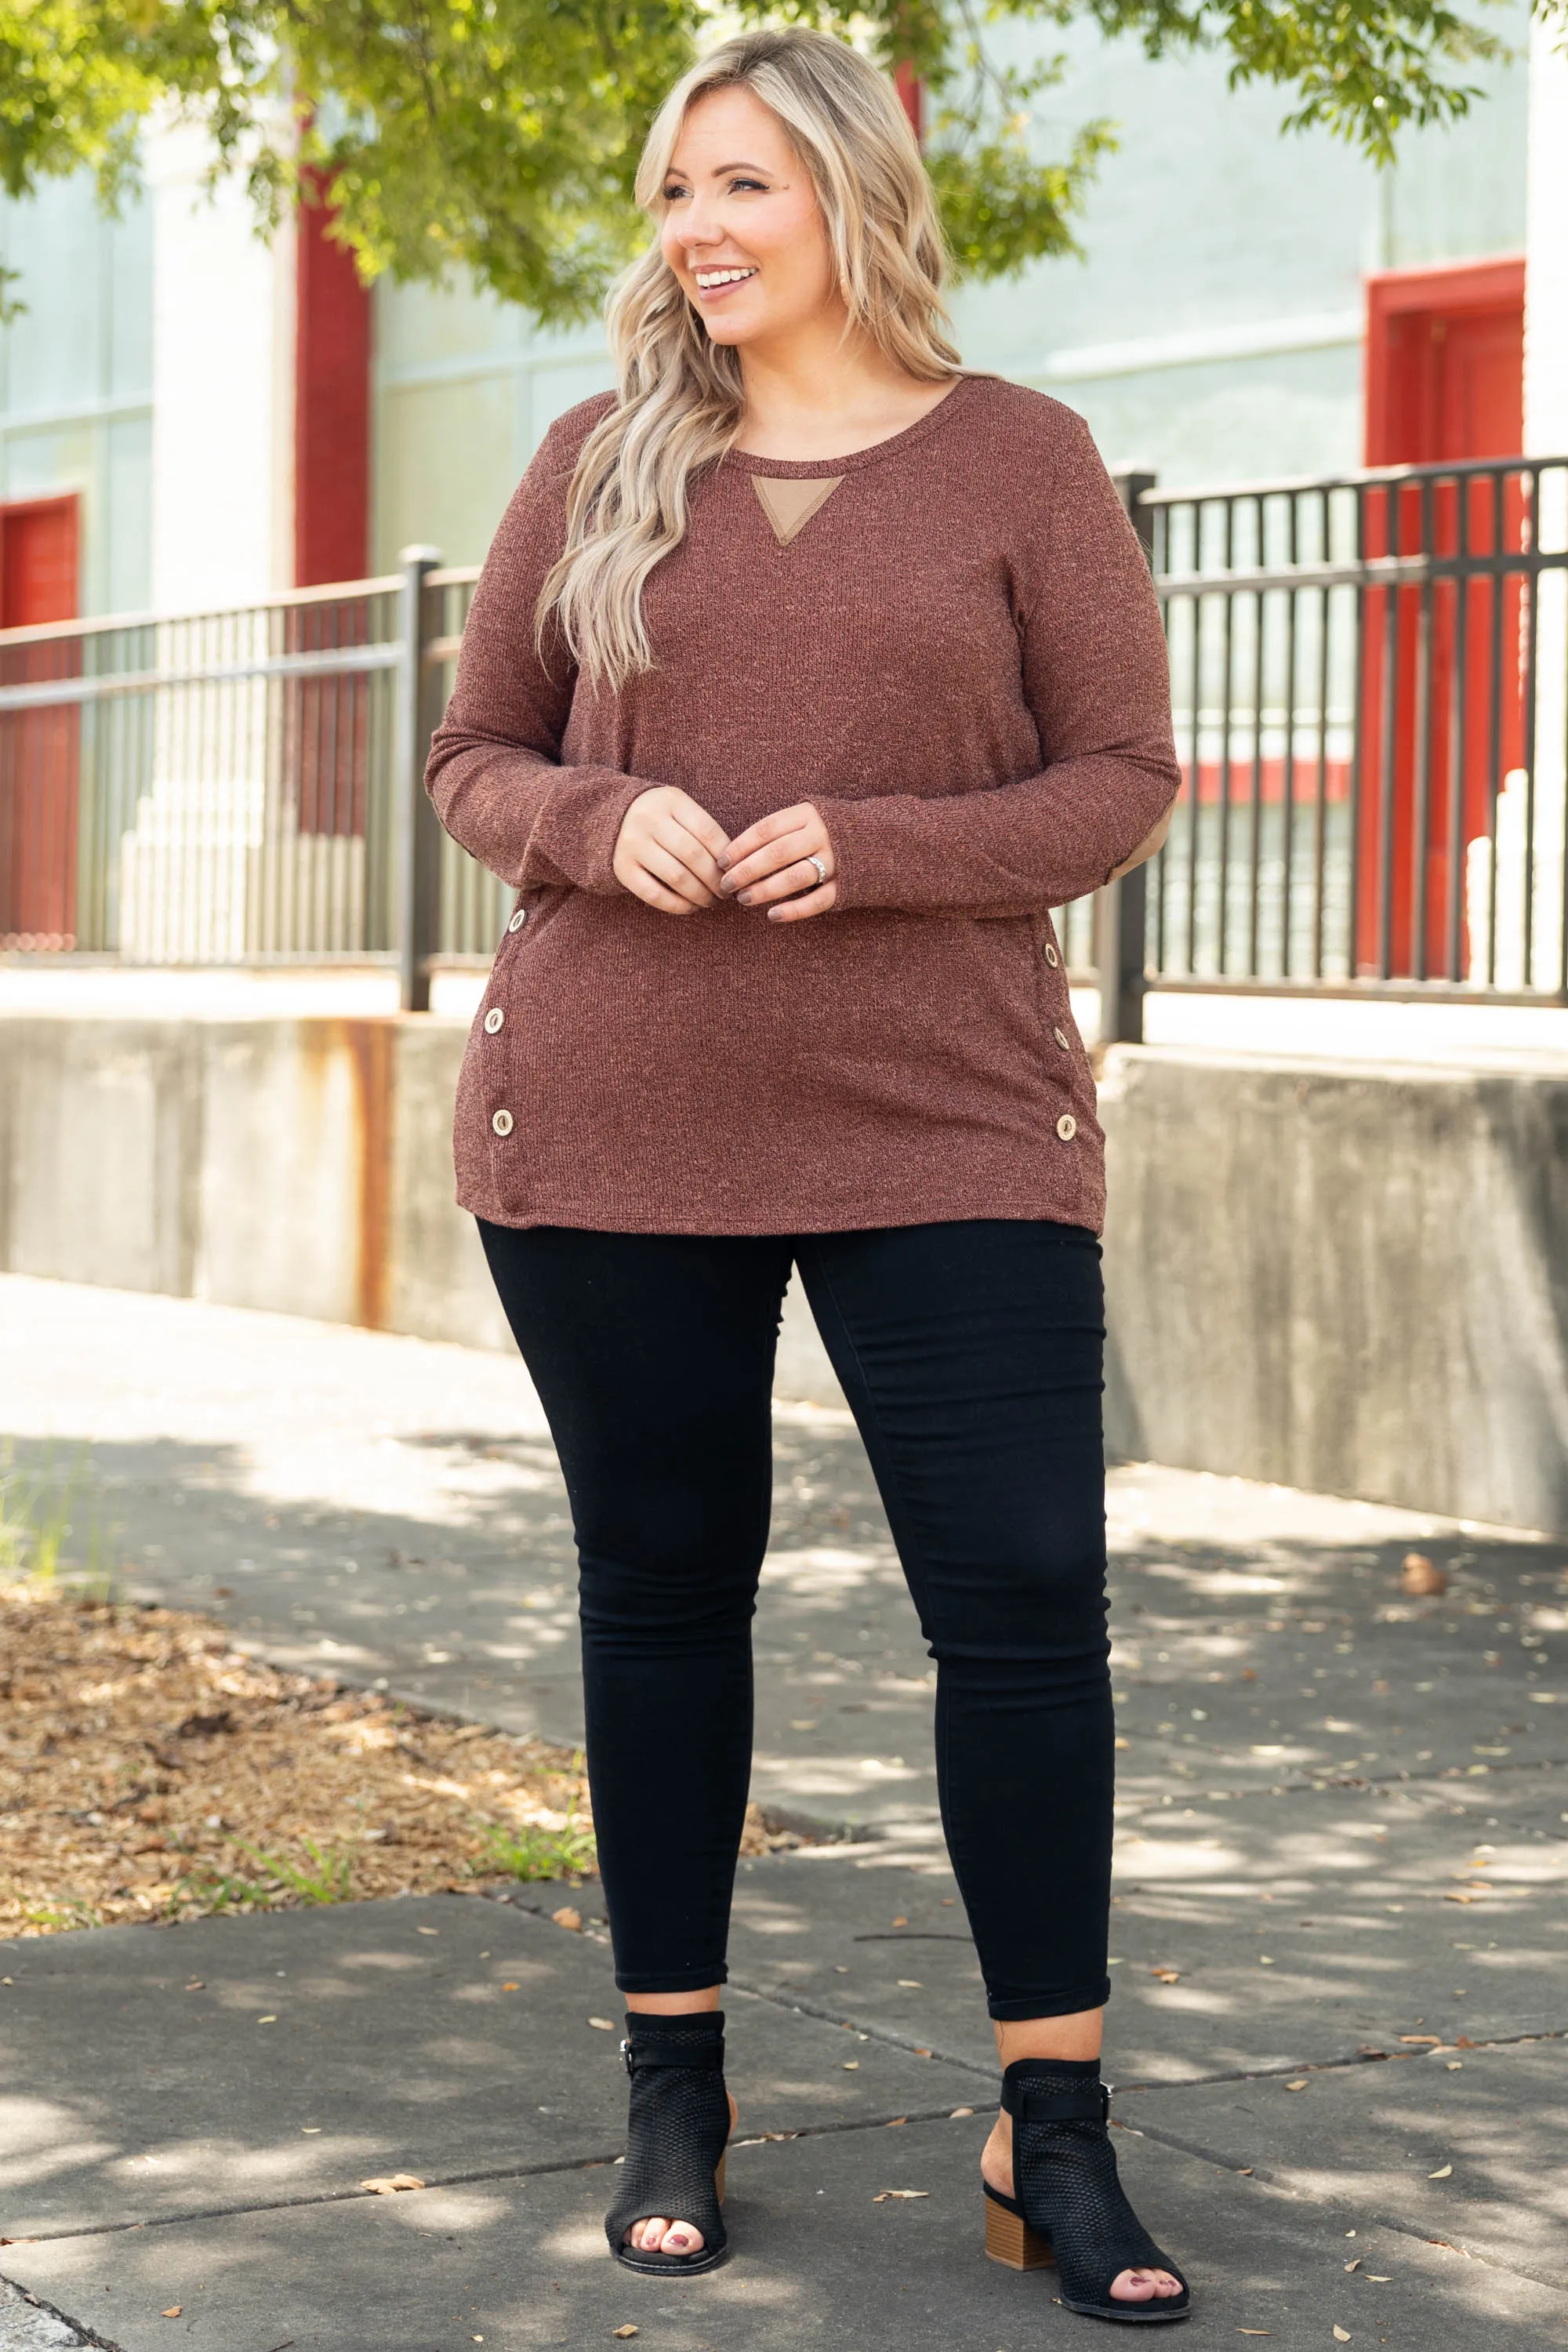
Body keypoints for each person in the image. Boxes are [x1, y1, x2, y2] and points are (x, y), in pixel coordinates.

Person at [425, 24, 1186, 2324]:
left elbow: (1125, 775)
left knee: (1031, 1592)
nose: (701, 231)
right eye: (677, 193)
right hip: (617, 1113)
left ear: (852, 192)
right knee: (666, 1592)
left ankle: (1049, 2121)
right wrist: (590, 816)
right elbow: (474, 756)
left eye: (742, 183)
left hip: (946, 1108)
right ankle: (676, 2076)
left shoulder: (1021, 461)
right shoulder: (598, 456)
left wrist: (869, 850)